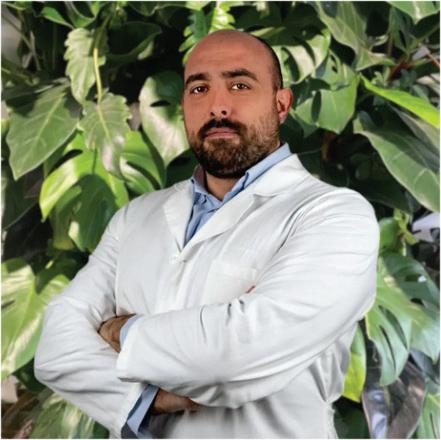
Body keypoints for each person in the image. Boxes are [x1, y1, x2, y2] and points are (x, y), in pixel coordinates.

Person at [34, 30, 379, 438]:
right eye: (199, 89)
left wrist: (119, 330)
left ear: (281, 104)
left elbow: (238, 352)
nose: (217, 106)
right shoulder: (136, 217)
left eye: (239, 85)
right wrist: (149, 398)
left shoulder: (334, 216)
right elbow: (55, 348)